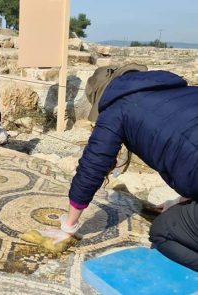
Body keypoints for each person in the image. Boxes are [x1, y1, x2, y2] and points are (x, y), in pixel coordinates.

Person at [41, 65, 198, 271]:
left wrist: (68, 226)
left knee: (163, 230)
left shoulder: (116, 110)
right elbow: (187, 147)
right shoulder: (176, 89)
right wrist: (180, 200)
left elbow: (92, 167)